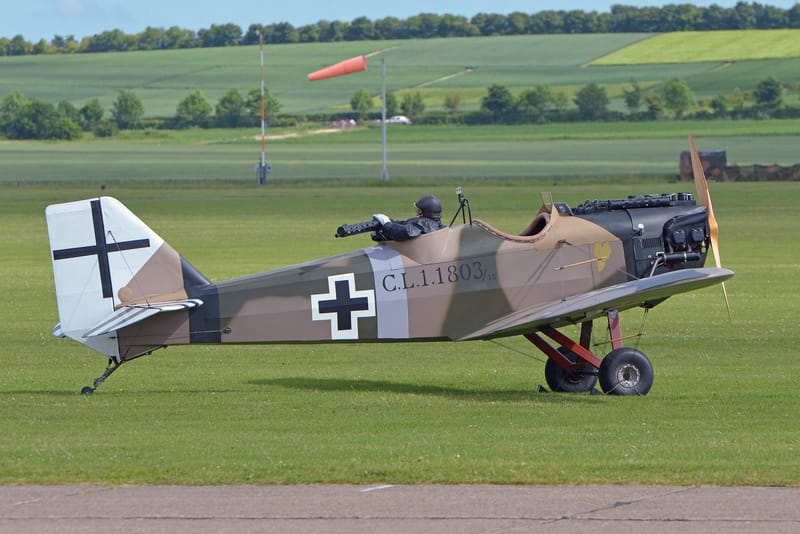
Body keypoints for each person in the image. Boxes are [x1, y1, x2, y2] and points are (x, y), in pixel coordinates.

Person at [372, 195, 447, 241]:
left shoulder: (425, 224)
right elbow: (404, 224)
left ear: (423, 212)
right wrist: (389, 221)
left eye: (419, 210)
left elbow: (406, 231)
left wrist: (386, 224)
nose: (417, 212)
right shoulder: (434, 224)